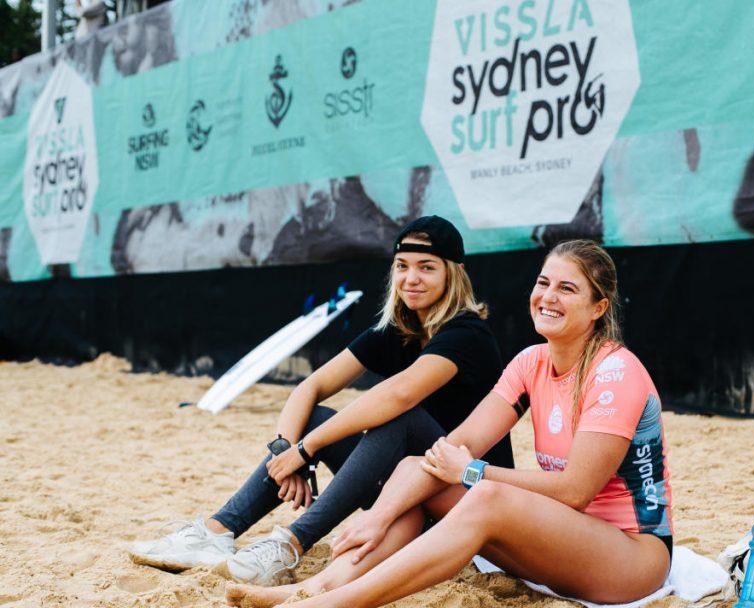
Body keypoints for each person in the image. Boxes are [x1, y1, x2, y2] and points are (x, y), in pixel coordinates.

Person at [226, 239, 675, 608]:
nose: (548, 297)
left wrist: (472, 471)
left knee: (486, 493)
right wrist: (379, 517)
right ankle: (315, 588)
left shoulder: (616, 371)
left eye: (567, 289)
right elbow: (449, 450)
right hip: (557, 544)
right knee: (419, 474)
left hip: (631, 558)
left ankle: (331, 604)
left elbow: (577, 490)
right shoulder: (531, 362)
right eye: (543, 283)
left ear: (598, 308)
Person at [129, 216, 514, 585]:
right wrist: (287, 452)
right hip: (403, 490)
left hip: (462, 496)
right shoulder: (399, 329)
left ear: (453, 272)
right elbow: (309, 388)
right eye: (402, 266)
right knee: (313, 418)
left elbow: (399, 394)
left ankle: (289, 544)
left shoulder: (468, 333)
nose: (411, 278)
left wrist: (307, 448)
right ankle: (217, 531)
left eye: (426, 267)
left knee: (399, 418)